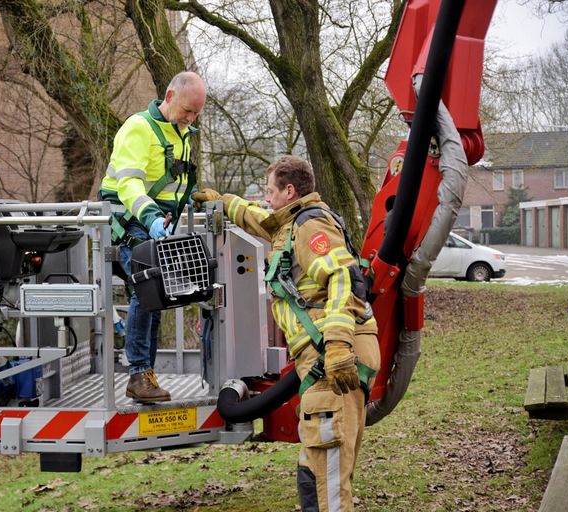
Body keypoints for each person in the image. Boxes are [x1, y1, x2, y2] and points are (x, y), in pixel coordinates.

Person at [193, 155, 380, 512]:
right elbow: (259, 218)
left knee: (328, 482)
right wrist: (224, 203)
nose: (266, 198)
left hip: (334, 358)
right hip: (325, 359)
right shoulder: (290, 225)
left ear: (289, 191)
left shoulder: (311, 226)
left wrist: (339, 344)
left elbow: (342, 278)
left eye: (270, 191)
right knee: (316, 468)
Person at [100, 71, 206, 403]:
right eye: (187, 111)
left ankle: (145, 373)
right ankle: (138, 375)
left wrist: (188, 198)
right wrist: (150, 217)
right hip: (129, 219)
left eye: (196, 115)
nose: (190, 119)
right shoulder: (138, 128)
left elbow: (168, 180)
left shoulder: (181, 132)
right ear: (170, 96)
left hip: (156, 221)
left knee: (158, 292)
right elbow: (130, 185)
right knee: (147, 289)